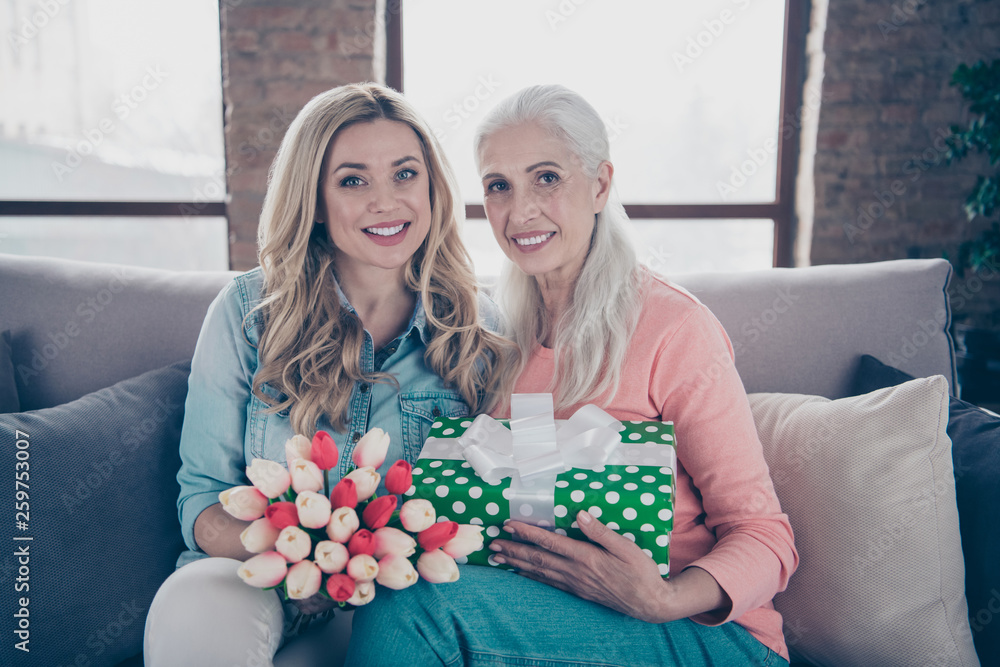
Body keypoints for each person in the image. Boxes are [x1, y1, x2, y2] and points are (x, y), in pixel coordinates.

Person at [345, 84, 799, 667]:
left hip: (705, 638)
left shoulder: (675, 327)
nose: (520, 210)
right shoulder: (495, 333)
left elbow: (765, 534)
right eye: (498, 186)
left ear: (601, 185)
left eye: (547, 178)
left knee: (406, 609)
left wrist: (663, 598)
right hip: (548, 617)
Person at [143, 82, 514, 667]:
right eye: (352, 180)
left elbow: (485, 513)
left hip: (401, 606)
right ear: (313, 199)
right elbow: (203, 502)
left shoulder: (477, 329)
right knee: (194, 603)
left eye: (405, 174)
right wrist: (304, 562)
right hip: (255, 582)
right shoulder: (247, 314)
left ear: (433, 188)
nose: (386, 201)